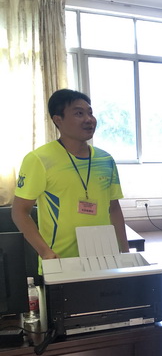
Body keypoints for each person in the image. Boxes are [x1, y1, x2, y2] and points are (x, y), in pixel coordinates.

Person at [12, 89, 129, 261]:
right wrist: (45, 251)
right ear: (58, 120)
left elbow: (114, 208)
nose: (89, 119)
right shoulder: (39, 159)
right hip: (60, 260)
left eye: (90, 113)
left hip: (105, 257)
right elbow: (19, 212)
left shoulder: (105, 159)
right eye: (79, 113)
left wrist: (125, 252)